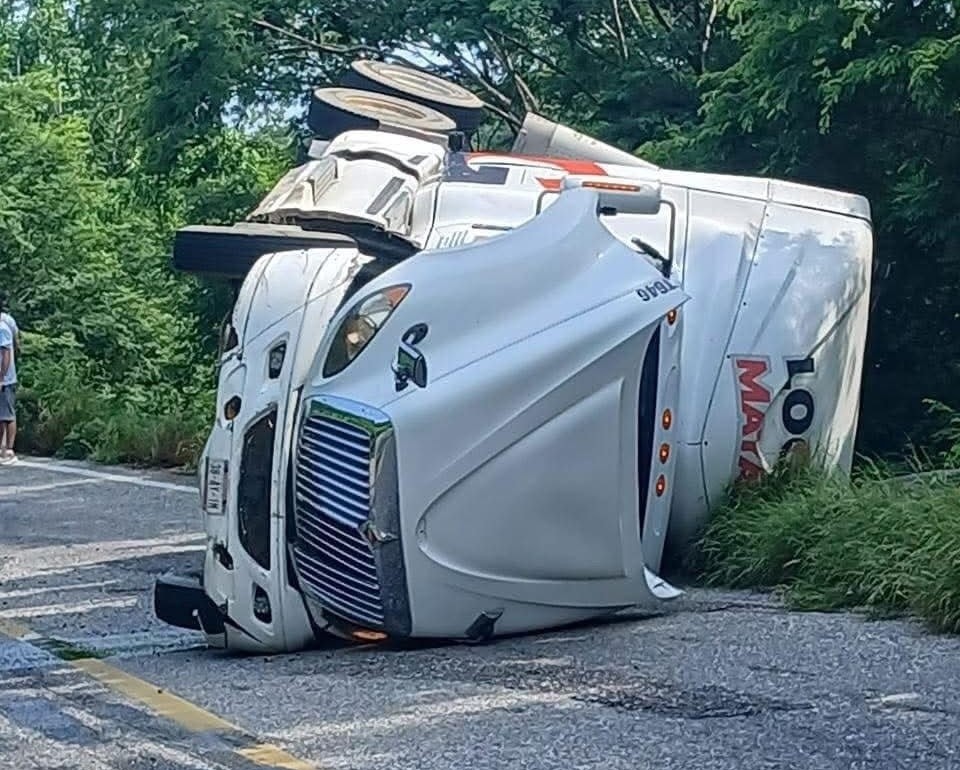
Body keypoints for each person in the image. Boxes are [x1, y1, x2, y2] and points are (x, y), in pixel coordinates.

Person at [0, 292, 18, 465]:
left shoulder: (3, 326)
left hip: (5, 378)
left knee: (7, 414)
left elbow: (6, 353)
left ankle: (9, 450)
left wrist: (2, 377)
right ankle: (2, 449)